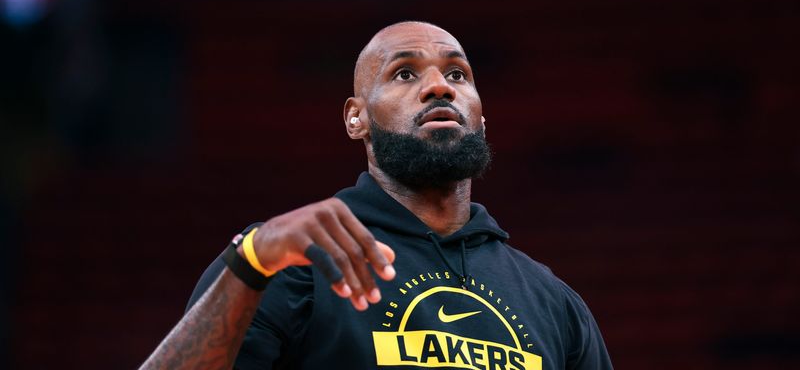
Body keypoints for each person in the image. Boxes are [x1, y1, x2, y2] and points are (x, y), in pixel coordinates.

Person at [139, 21, 613, 370]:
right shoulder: (291, 265)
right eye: (405, 74)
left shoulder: (554, 301)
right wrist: (253, 260)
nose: (438, 88)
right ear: (355, 118)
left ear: (482, 118)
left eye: (458, 75)